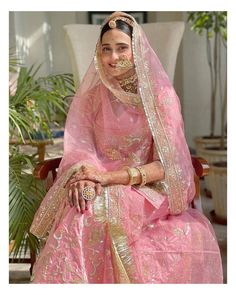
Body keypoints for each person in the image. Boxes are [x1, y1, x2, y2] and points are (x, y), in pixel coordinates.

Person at [30, 11, 223, 283]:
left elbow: (168, 166)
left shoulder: (160, 99)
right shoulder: (93, 97)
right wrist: (84, 175)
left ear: (138, 51)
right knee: (82, 209)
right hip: (98, 181)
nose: (113, 58)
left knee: (96, 213)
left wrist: (107, 178)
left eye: (122, 48)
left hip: (148, 189)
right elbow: (81, 146)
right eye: (106, 49)